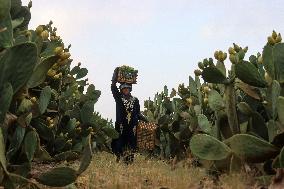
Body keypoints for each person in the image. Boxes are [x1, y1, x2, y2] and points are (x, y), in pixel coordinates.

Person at [110, 67, 147, 164]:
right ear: (121, 90)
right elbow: (113, 87)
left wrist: (146, 120)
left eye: (127, 88)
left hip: (132, 127)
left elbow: (138, 113)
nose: (125, 90)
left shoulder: (135, 100)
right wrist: (115, 76)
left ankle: (130, 162)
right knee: (119, 144)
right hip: (121, 126)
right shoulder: (119, 99)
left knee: (131, 145)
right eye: (123, 88)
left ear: (130, 89)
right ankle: (119, 160)